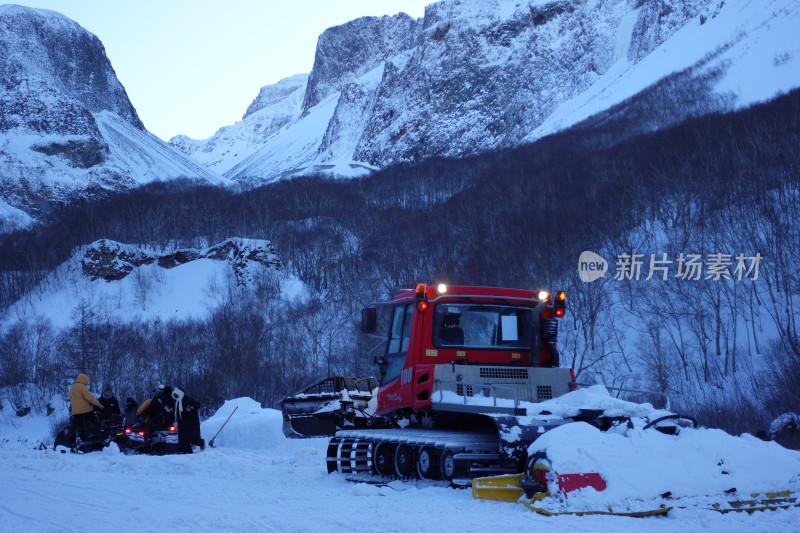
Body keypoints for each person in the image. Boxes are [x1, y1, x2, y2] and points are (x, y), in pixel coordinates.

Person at [69, 373, 102, 439]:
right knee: (94, 421)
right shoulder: (83, 387)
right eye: (87, 381)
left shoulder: (72, 387)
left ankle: (83, 438)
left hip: (75, 412)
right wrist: (99, 404)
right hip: (85, 410)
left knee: (80, 426)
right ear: (84, 380)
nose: (87, 382)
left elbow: (70, 398)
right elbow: (89, 398)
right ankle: (96, 434)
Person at [171, 387, 204, 453]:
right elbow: (176, 412)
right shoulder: (176, 402)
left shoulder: (187, 399)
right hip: (181, 422)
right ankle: (187, 452)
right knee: (182, 439)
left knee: (192, 438)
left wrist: (191, 407)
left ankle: (201, 443)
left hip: (190, 423)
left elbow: (198, 405)